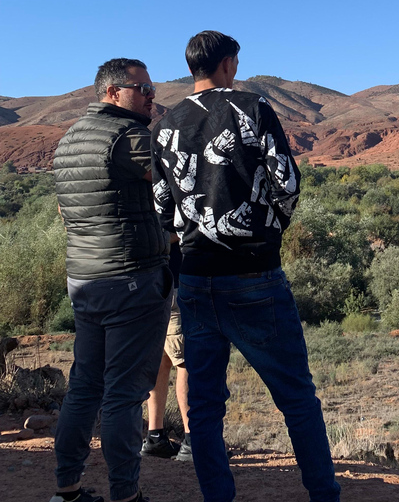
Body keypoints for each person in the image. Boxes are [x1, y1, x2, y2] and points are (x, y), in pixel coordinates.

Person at [151, 30, 341, 502]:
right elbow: (287, 182)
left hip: (194, 278)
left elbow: (161, 207)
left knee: (205, 407)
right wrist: (267, 232)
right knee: (297, 398)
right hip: (254, 273)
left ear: (192, 66)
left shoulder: (166, 125)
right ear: (229, 64)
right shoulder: (252, 108)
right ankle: (324, 495)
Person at [52, 58, 173, 502]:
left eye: (151, 88)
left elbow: (68, 212)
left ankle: (67, 489)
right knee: (124, 393)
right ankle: (125, 495)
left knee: (84, 386)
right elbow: (177, 184)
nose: (151, 96)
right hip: (131, 280)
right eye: (142, 89)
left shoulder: (69, 140)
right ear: (112, 92)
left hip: (84, 279)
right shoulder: (128, 136)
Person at [141, 243, 193, 461]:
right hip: (175, 281)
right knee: (187, 362)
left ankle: (155, 435)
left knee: (160, 359)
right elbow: (170, 230)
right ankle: (193, 441)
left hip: (146, 284)